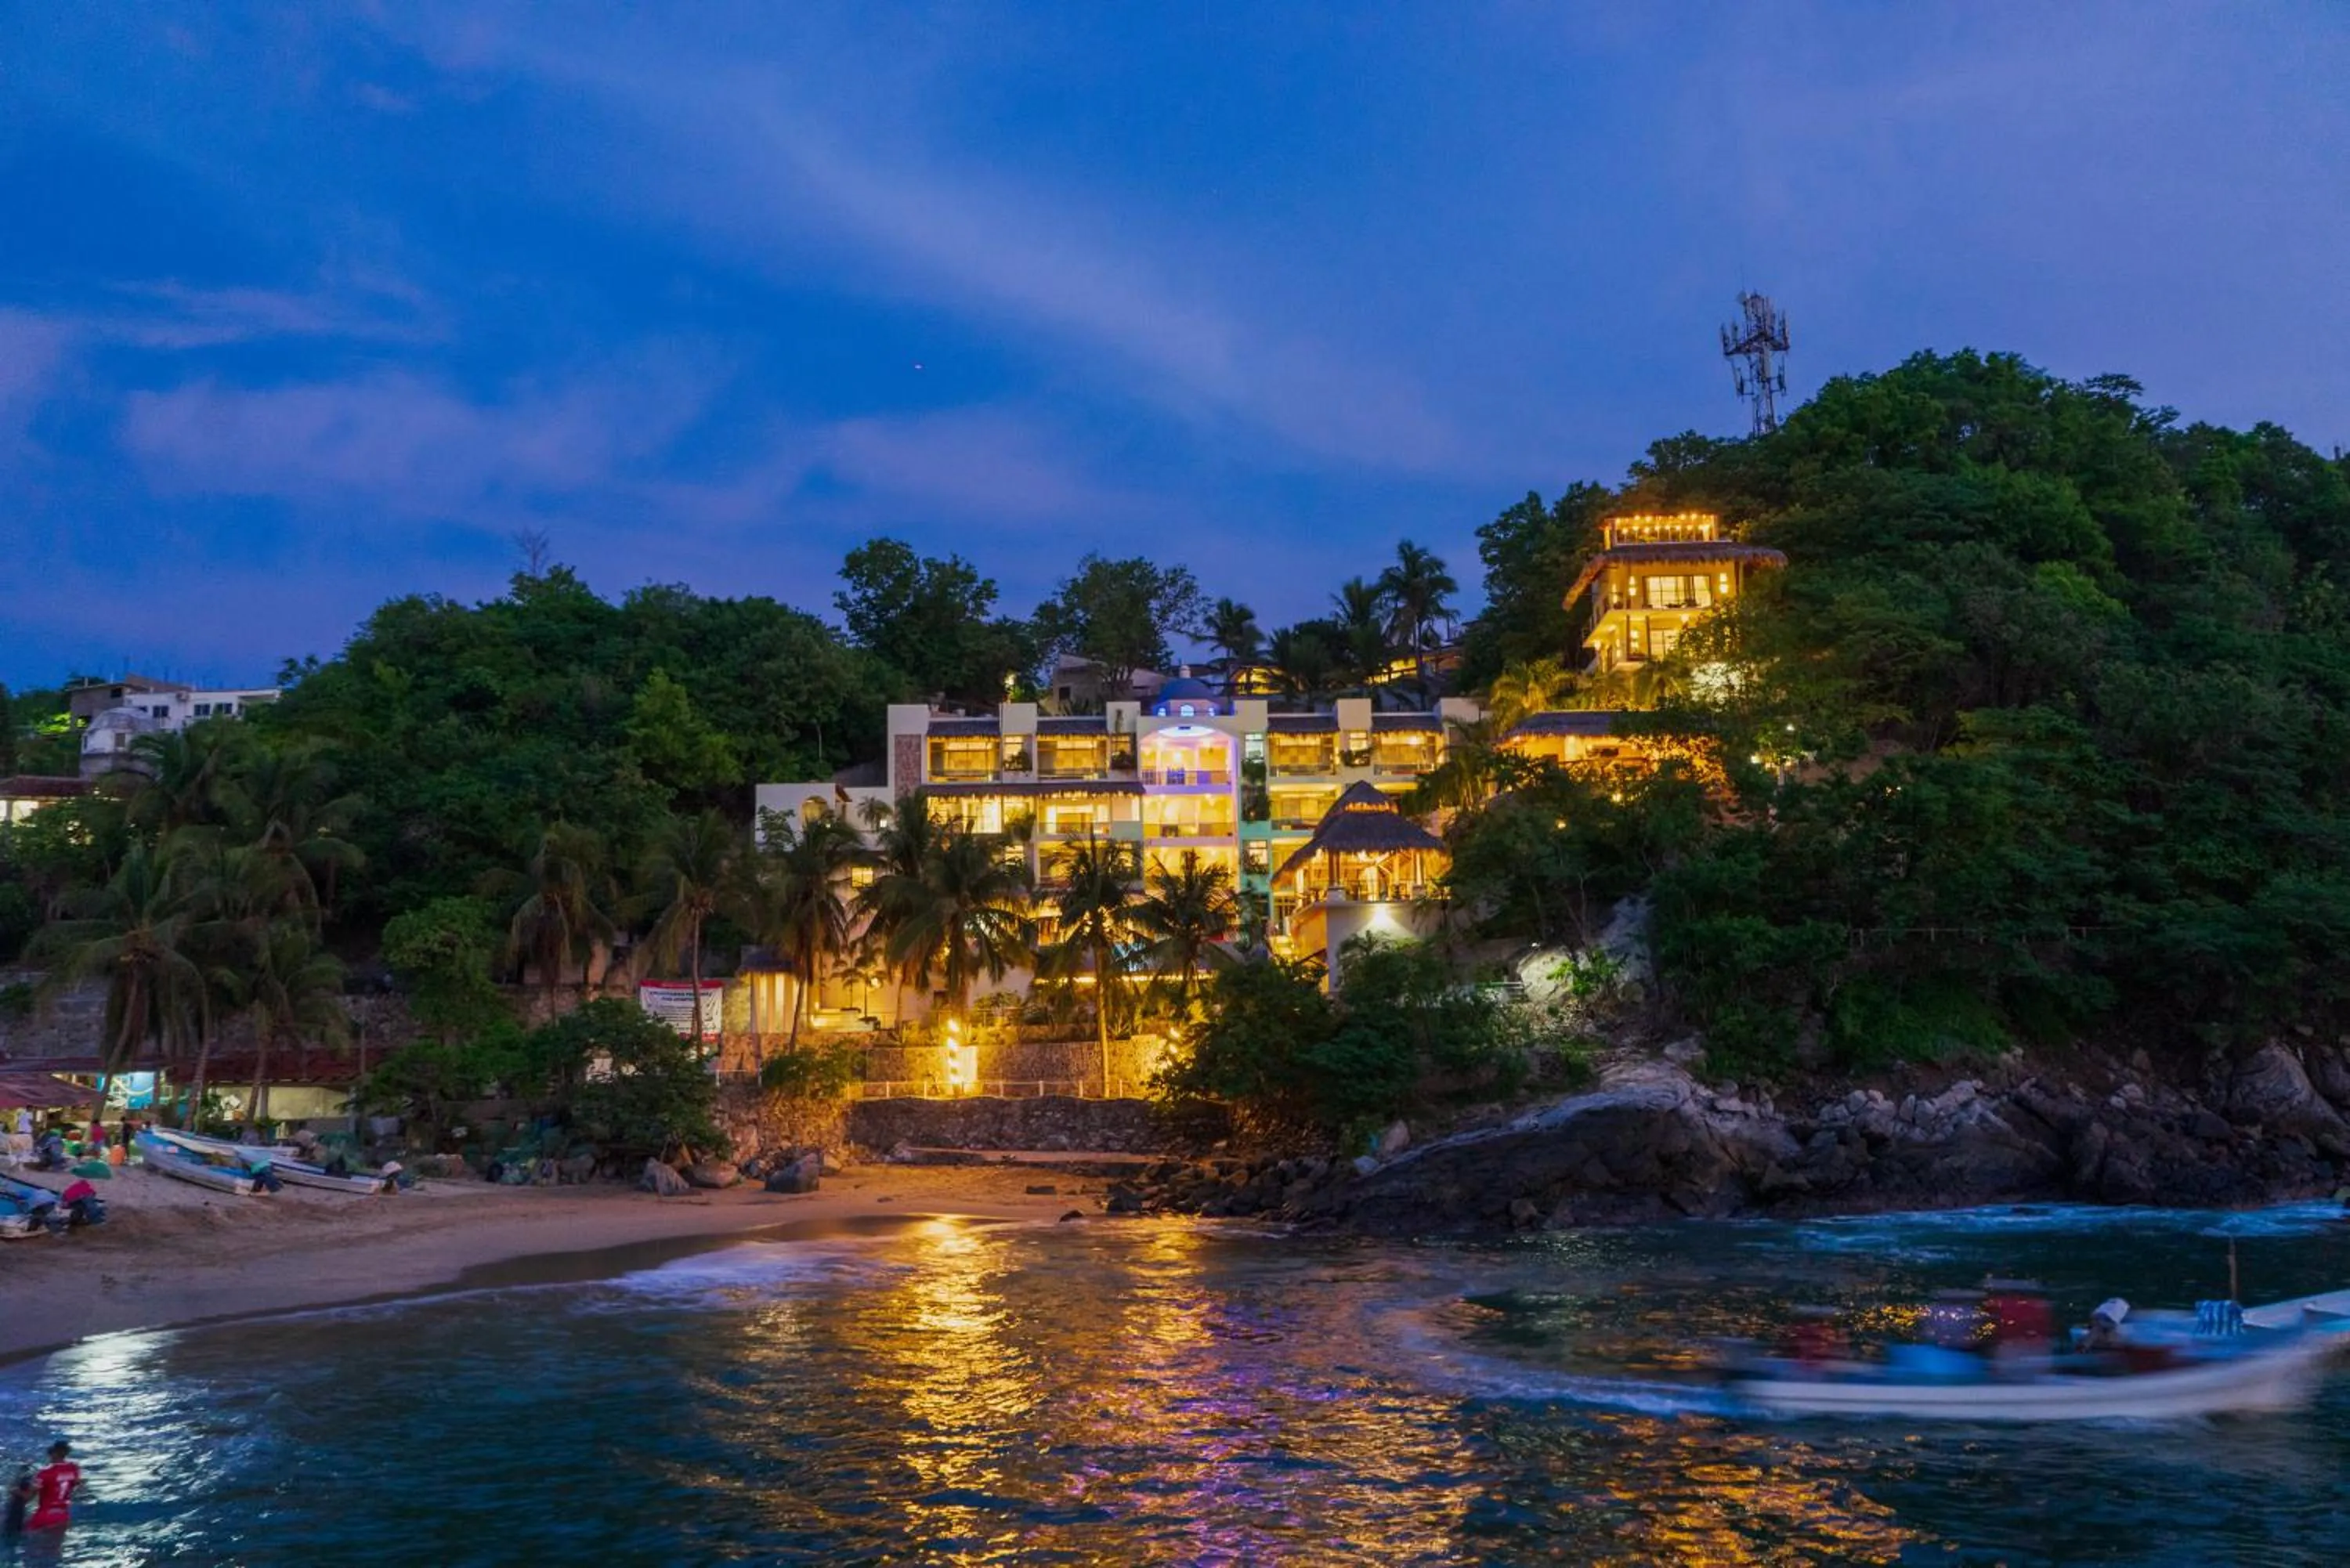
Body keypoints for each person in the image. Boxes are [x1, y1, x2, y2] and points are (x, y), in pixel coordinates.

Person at [26, 1440, 78, 1533]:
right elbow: (75, 1485)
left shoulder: (44, 1473)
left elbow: (28, 1497)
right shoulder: (73, 1469)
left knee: (29, 1540)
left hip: (45, 1516)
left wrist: (14, 1490)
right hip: (63, 1516)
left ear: (53, 1454)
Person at [4, 1466, 33, 1540]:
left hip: (17, 1510)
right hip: (17, 1510)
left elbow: (27, 1496)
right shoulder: (21, 1481)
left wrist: (16, 1491)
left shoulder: (22, 1482)